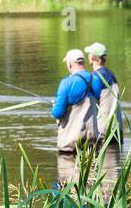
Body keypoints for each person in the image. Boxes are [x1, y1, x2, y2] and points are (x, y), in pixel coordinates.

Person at [52, 48, 98, 189]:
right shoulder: (95, 80)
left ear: (70, 64)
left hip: (70, 143)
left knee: (68, 183)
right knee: (91, 182)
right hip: (91, 140)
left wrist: (54, 106)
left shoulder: (66, 83)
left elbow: (57, 113)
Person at [84, 42, 123, 197]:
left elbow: (88, 101)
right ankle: (110, 196)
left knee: (102, 170)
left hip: (103, 129)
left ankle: (105, 196)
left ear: (92, 57)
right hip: (117, 129)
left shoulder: (96, 77)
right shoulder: (111, 74)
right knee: (113, 169)